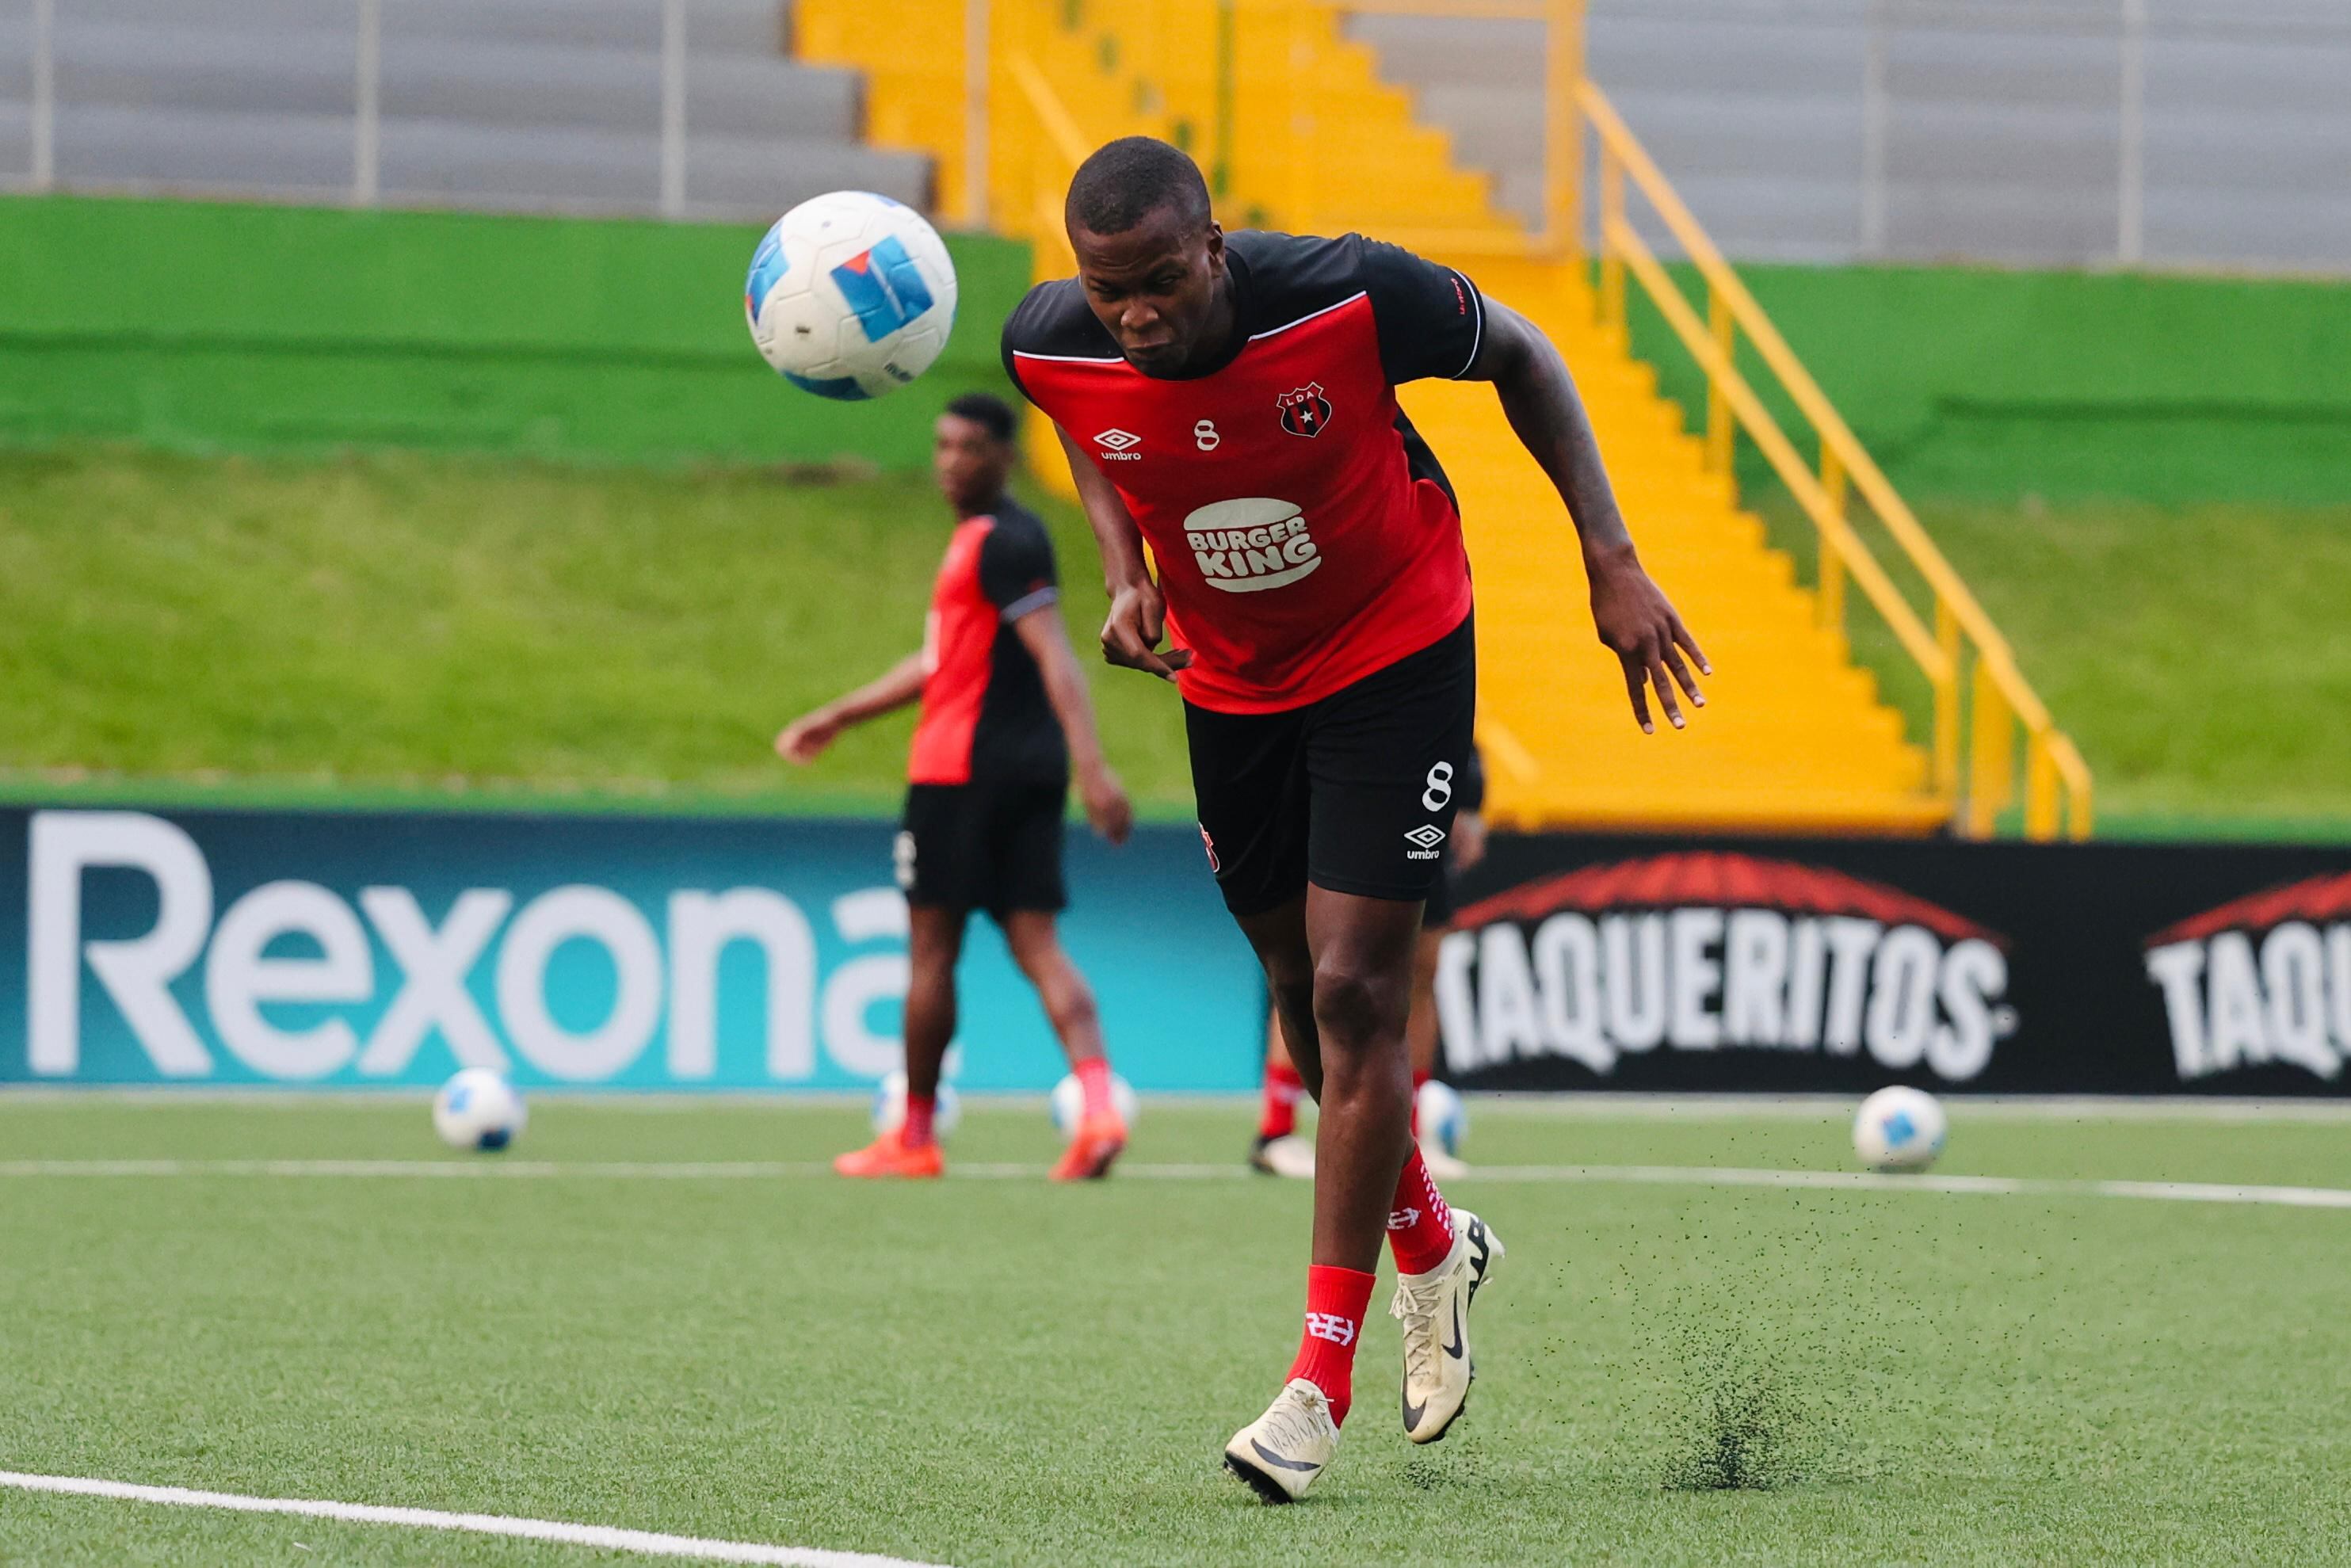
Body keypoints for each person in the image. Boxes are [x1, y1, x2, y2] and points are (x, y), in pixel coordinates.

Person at [1002, 138, 1708, 1501]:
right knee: (1288, 982)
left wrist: (1607, 559)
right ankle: (1436, 1241)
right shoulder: (1051, 336)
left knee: (1351, 991)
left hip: (1394, 648)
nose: (1135, 316)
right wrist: (1123, 565)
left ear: (1216, 247)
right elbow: (1081, 421)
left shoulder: (1349, 293)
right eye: (1110, 293)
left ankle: (1315, 1384)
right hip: (1232, 680)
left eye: (1159, 282)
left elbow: (1531, 357)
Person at [777, 391, 1136, 1183]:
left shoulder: (1000, 541)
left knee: (931, 952)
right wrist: (842, 712)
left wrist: (1098, 766)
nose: (950, 462)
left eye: (969, 447)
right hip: (1025, 770)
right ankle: (1101, 1104)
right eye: (942, 446)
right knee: (1038, 944)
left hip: (958, 772)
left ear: (1005, 456)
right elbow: (944, 658)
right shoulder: (989, 541)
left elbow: (1056, 655)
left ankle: (913, 1134)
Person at [1253, 747, 1486, 1184]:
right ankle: (1277, 1131)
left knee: (1422, 962)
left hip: (1411, 780)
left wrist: (1468, 795)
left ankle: (1412, 1137)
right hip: (1328, 774)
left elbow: (1449, 685)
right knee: (1308, 963)